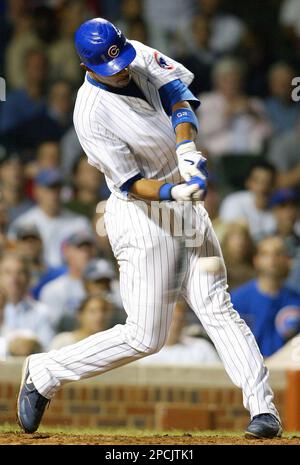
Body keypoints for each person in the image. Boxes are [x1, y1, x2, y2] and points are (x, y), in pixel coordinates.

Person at [17, 17, 282, 440]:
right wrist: (175, 193)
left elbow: (178, 92)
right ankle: (44, 371)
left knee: (217, 306)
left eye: (120, 59)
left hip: (185, 202)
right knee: (146, 336)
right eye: (109, 66)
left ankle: (263, 409)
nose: (120, 69)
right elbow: (129, 184)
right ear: (86, 67)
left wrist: (189, 147)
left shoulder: (133, 53)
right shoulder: (90, 114)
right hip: (142, 215)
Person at [231, 236, 300, 358]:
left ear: (287, 260)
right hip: (249, 368)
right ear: (256, 260)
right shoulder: (237, 300)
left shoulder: (296, 300)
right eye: (266, 254)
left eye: (278, 253)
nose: (272, 259)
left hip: (288, 368)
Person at [9, 168, 92, 267]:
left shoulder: (80, 222)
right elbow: (12, 257)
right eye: (49, 188)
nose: (54, 193)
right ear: (37, 191)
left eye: (57, 187)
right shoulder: (22, 223)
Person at [197, 58, 272, 157]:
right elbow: (203, 132)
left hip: (250, 156)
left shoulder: (254, 103)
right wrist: (227, 115)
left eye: (235, 79)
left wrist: (255, 116)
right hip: (217, 157)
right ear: (217, 81)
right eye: (226, 80)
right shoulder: (206, 101)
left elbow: (269, 132)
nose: (232, 84)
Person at [40, 231, 97, 332]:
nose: (86, 253)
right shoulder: (53, 290)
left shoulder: (109, 284)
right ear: (67, 252)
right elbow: (54, 326)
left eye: (89, 248)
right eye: (81, 249)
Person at [138, 300, 219, 365]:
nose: (175, 324)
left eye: (179, 319)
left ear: (184, 322)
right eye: (171, 319)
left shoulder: (202, 348)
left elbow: (220, 379)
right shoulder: (143, 352)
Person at [0, 253, 54, 351]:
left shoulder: (41, 312)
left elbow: (46, 348)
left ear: (28, 278)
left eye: (20, 273)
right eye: (7, 272)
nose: (14, 279)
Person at [219, 162, 277, 241]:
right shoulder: (234, 202)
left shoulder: (281, 208)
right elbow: (230, 239)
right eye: (258, 181)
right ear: (248, 182)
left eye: (268, 182)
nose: (263, 187)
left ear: (274, 185)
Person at [49, 294, 114, 350]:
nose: (99, 316)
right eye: (93, 311)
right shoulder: (62, 341)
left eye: (103, 311)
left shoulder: (112, 343)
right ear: (80, 315)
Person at [265, 62, 300, 135]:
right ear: (272, 85)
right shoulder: (264, 108)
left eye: (287, 82)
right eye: (280, 83)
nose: (285, 87)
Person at [221, 221, 256, 290]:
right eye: (234, 237)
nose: (239, 242)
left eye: (243, 237)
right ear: (226, 241)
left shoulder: (254, 265)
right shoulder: (221, 267)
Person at [268, 188, 300, 257]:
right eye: (282, 206)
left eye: (294, 205)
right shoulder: (261, 240)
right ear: (273, 210)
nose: (289, 211)